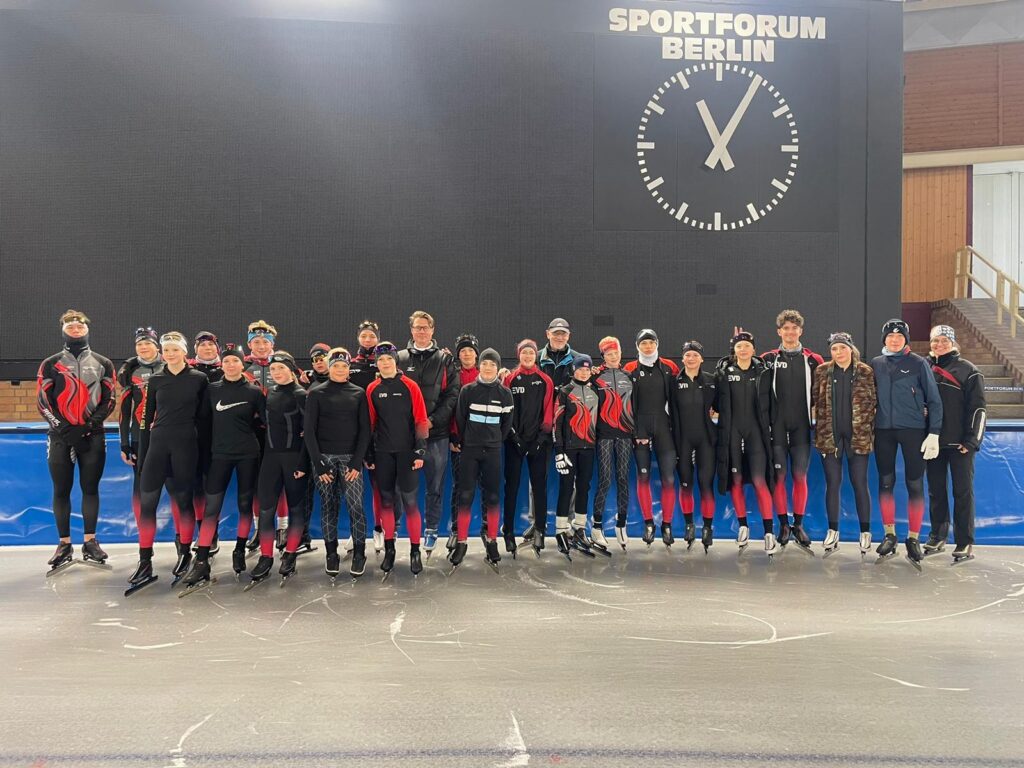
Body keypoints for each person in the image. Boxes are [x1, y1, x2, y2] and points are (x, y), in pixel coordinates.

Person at [127, 332, 209, 594]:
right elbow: (145, 420)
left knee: (184, 501)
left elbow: (205, 420)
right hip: (158, 445)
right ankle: (144, 561)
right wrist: (143, 454)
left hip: (186, 446)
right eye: (167, 350)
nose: (170, 354)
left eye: (175, 349)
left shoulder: (199, 378)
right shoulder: (156, 380)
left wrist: (203, 454)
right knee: (147, 503)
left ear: (184, 352)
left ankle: (185, 553)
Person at [180, 343, 264, 590]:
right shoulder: (211, 390)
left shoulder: (254, 392)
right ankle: (202, 560)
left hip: (248, 455)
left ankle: (239, 549)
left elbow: (267, 423)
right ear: (222, 364)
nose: (230, 364)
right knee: (211, 508)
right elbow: (202, 423)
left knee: (245, 505)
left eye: (235, 360)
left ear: (242, 364)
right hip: (219, 456)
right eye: (226, 361)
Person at [37, 310, 116, 572]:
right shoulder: (51, 363)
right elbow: (43, 402)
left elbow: (110, 400)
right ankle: (64, 544)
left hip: (92, 435)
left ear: (87, 329)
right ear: (63, 330)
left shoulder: (103, 362)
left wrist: (88, 427)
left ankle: (90, 542)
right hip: (60, 436)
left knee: (90, 488)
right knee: (61, 490)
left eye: (80, 325)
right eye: (70, 325)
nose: (75, 328)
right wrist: (64, 429)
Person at [870, 319, 943, 568]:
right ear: (884, 339)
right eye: (890, 336)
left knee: (914, 483)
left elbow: (934, 400)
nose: (894, 340)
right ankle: (889, 535)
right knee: (885, 482)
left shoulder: (918, 363)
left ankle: (913, 538)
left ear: (905, 340)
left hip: (913, 430)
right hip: (883, 431)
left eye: (899, 336)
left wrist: (934, 432)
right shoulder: (876, 364)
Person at [304, 347, 372, 579]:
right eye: (336, 366)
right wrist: (319, 463)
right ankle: (331, 553)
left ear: (349, 368)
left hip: (350, 460)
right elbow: (309, 431)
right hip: (324, 459)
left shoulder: (358, 393)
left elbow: (365, 430)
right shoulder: (316, 393)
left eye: (344, 366)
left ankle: (360, 553)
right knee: (328, 506)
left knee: (356, 507)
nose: (340, 369)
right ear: (329, 367)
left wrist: (356, 462)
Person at [395, 311, 459, 556]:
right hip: (405, 437)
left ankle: (431, 529)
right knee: (402, 486)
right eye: (417, 327)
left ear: (433, 330)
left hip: (436, 434)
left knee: (435, 487)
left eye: (425, 327)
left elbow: (452, 395)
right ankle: (396, 529)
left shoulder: (445, 359)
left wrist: (432, 421)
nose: (421, 331)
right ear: (411, 330)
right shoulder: (399, 358)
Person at [760, 310, 823, 552]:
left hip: (801, 429)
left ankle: (798, 524)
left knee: (800, 477)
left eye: (794, 328)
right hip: (776, 429)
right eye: (785, 328)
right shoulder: (768, 359)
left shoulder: (813, 359)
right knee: (779, 477)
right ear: (779, 332)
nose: (790, 332)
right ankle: (783, 525)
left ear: (801, 331)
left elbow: (824, 393)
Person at [366, 342, 430, 576]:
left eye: (389, 359)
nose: (385, 363)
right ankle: (390, 548)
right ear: (377, 363)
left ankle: (415, 550)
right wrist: (369, 453)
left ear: (395, 361)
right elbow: (370, 423)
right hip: (383, 454)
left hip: (407, 453)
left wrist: (420, 450)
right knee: (386, 502)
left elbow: (421, 419)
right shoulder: (372, 388)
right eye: (381, 360)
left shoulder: (410, 386)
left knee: (410, 501)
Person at [925, 325, 986, 564]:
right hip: (933, 442)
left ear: (953, 343)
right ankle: (937, 535)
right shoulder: (924, 367)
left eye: (944, 341)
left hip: (960, 444)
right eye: (935, 341)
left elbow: (979, 410)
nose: (939, 345)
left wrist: (971, 441)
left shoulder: (969, 370)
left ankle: (964, 541)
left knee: (962, 493)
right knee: (936, 491)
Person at [812, 333, 876, 557]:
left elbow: (873, 402)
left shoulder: (865, 371)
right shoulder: (822, 371)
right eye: (834, 349)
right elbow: (816, 401)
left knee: (860, 483)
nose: (838, 352)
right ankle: (833, 531)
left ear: (851, 348)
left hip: (858, 438)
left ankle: (865, 532)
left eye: (842, 348)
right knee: (833, 483)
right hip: (829, 437)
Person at [250, 351, 310, 586]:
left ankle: (290, 554)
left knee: (296, 509)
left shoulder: (301, 395)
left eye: (281, 368)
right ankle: (266, 557)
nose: (276, 373)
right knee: (266, 510)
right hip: (271, 460)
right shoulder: (270, 394)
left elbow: (309, 433)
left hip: (294, 460)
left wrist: (303, 463)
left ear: (292, 371)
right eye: (273, 369)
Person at [452, 348, 514, 570]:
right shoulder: (468, 390)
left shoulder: (505, 394)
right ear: (479, 366)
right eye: (485, 364)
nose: (488, 368)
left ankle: (492, 541)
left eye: (493, 365)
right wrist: (467, 439)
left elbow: (506, 424)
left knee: (493, 497)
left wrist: (494, 440)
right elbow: (460, 418)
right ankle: (461, 543)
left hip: (493, 451)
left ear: (498, 368)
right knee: (465, 496)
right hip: (470, 450)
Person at [715, 331, 776, 557]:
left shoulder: (764, 372)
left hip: (756, 433)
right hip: (732, 433)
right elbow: (716, 403)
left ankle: (769, 532)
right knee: (737, 481)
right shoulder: (724, 373)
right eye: (739, 346)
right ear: (734, 350)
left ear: (753, 350)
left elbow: (773, 402)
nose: (743, 350)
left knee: (760, 480)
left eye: (747, 346)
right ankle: (743, 526)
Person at [624, 329, 679, 547]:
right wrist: (636, 431)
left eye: (651, 342)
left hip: (664, 429)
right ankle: (649, 523)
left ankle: (667, 525)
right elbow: (626, 402)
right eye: (643, 343)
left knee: (669, 479)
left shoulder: (669, 367)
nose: (648, 347)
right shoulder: (630, 368)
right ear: (637, 346)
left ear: (657, 344)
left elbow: (679, 396)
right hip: (640, 431)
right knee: (643, 477)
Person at [502, 339, 554, 555]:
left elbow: (549, 412)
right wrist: (514, 437)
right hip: (514, 442)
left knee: (539, 487)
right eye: (524, 353)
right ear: (519, 355)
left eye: (531, 353)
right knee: (511, 487)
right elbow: (506, 411)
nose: (528, 356)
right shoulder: (510, 379)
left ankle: (540, 529)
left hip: (538, 443)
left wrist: (540, 439)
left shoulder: (545, 380)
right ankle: (508, 531)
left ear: (536, 356)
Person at [670, 341, 718, 552]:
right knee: (686, 484)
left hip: (706, 439)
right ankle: (689, 525)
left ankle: (707, 527)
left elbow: (722, 406)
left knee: (706, 484)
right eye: (688, 355)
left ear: (701, 358)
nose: (691, 359)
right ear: (682, 358)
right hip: (683, 440)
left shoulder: (711, 380)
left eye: (695, 355)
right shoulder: (673, 382)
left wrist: (716, 412)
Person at [117, 326, 166, 531]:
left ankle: (182, 540)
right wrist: (124, 443)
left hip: (169, 437)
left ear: (157, 347)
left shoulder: (170, 365)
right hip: (140, 438)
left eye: (148, 343)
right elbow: (124, 411)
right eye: (139, 344)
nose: (143, 347)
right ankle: (143, 536)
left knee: (178, 488)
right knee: (141, 488)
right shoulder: (131, 371)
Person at [553, 355, 600, 560]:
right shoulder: (565, 392)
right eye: (580, 369)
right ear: (574, 370)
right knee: (566, 487)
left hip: (588, 447)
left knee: (584, 487)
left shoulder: (595, 391)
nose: (583, 372)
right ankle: (560, 530)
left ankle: (579, 528)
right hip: (569, 449)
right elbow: (556, 423)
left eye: (587, 370)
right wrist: (559, 451)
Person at [591, 336, 634, 551]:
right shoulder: (596, 377)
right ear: (603, 356)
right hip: (604, 435)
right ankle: (597, 526)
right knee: (606, 479)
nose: (613, 356)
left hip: (625, 434)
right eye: (609, 353)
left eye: (616, 352)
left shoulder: (629, 376)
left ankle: (621, 524)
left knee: (623, 478)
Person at [348, 320, 383, 553]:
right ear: (358, 338)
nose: (368, 340)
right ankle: (356, 531)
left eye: (372, 336)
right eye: (364, 336)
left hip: (379, 434)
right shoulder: (350, 364)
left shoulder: (385, 363)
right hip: (353, 434)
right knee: (353, 488)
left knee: (379, 487)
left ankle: (379, 529)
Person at [448, 333, 481, 549]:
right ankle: (456, 530)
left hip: (483, 443)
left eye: (470, 350)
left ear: (476, 354)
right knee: (460, 487)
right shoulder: (452, 376)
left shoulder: (486, 374)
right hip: (459, 442)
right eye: (463, 351)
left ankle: (487, 530)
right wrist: (453, 435)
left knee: (486, 487)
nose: (467, 354)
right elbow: (449, 408)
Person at [538, 317, 578, 390]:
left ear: (568, 335)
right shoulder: (536, 358)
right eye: (555, 333)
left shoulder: (578, 359)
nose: (559, 337)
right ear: (548, 334)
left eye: (564, 334)